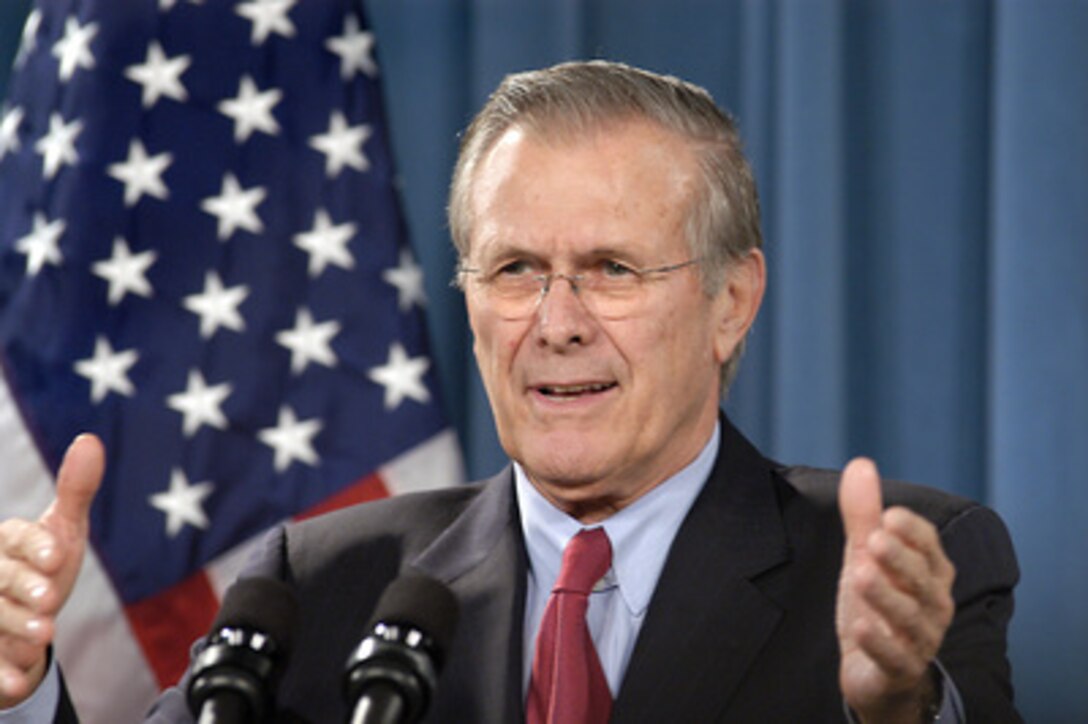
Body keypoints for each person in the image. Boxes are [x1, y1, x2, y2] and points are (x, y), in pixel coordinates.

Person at [0, 60, 1019, 723]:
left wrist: (896, 712)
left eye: (613, 269)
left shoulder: (893, 571)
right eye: (514, 268)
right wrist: (24, 688)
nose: (556, 319)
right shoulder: (316, 583)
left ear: (729, 300)